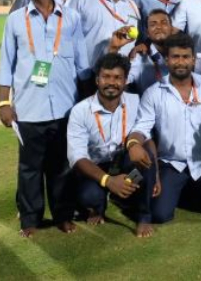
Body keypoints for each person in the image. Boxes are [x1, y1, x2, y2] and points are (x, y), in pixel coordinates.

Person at [0, 0, 89, 237]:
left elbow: (83, 65)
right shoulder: (15, 20)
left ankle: (62, 215)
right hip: (28, 108)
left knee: (61, 167)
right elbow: (6, 64)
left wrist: (84, 104)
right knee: (29, 169)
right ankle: (30, 220)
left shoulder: (71, 18)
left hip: (65, 107)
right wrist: (4, 103)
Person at [128, 33, 201, 223]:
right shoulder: (153, 93)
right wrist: (133, 143)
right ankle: (170, 190)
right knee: (160, 215)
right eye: (175, 57)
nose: (180, 62)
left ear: (193, 60)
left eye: (185, 57)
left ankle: (182, 192)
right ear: (167, 60)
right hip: (171, 163)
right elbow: (141, 127)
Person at [67, 53, 159, 238]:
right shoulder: (80, 111)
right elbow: (77, 158)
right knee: (89, 196)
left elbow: (147, 139)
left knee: (144, 157)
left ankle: (143, 216)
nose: (111, 82)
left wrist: (156, 175)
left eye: (117, 78)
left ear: (126, 81)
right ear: (97, 80)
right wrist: (108, 181)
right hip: (96, 168)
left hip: (125, 163)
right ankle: (98, 206)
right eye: (106, 77)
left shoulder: (135, 101)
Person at [108, 9, 173, 94]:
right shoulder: (138, 58)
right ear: (147, 33)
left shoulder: (184, 53)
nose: (159, 27)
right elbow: (114, 81)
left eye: (164, 22)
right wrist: (114, 48)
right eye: (153, 24)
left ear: (172, 29)